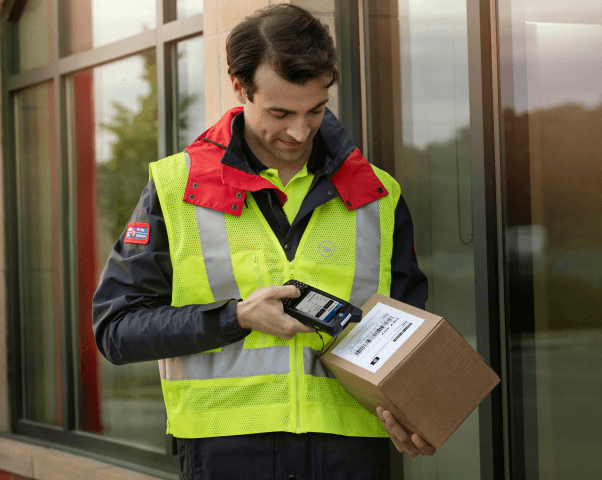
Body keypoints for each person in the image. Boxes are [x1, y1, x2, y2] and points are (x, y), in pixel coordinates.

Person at [93, 4, 434, 479]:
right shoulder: (176, 188)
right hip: (226, 454)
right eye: (280, 112)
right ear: (240, 86)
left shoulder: (377, 193)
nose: (298, 131)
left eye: (315, 111)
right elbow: (116, 331)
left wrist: (409, 413)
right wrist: (234, 317)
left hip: (352, 456)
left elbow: (408, 338)